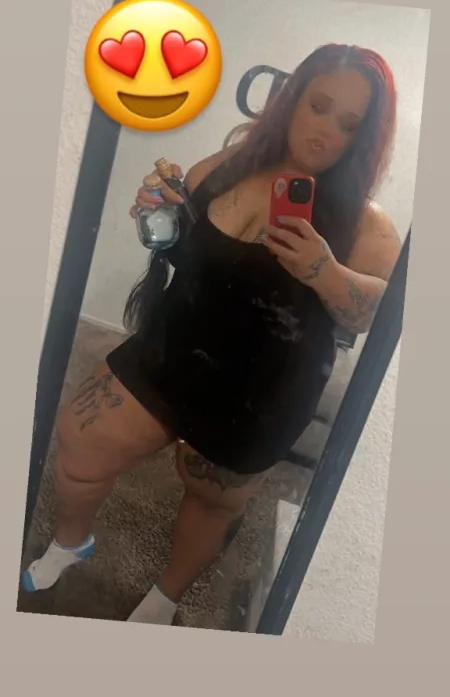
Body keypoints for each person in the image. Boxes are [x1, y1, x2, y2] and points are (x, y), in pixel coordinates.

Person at [22, 43, 402, 626]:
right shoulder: (229, 165)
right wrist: (156, 215)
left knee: (211, 500)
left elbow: (379, 315)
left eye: (349, 124)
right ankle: (72, 541)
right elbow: (184, 251)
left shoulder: (366, 224)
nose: (327, 131)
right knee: (79, 438)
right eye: (318, 106)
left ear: (365, 138)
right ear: (293, 99)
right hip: (175, 350)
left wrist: (325, 273)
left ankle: (166, 595)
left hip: (260, 396)